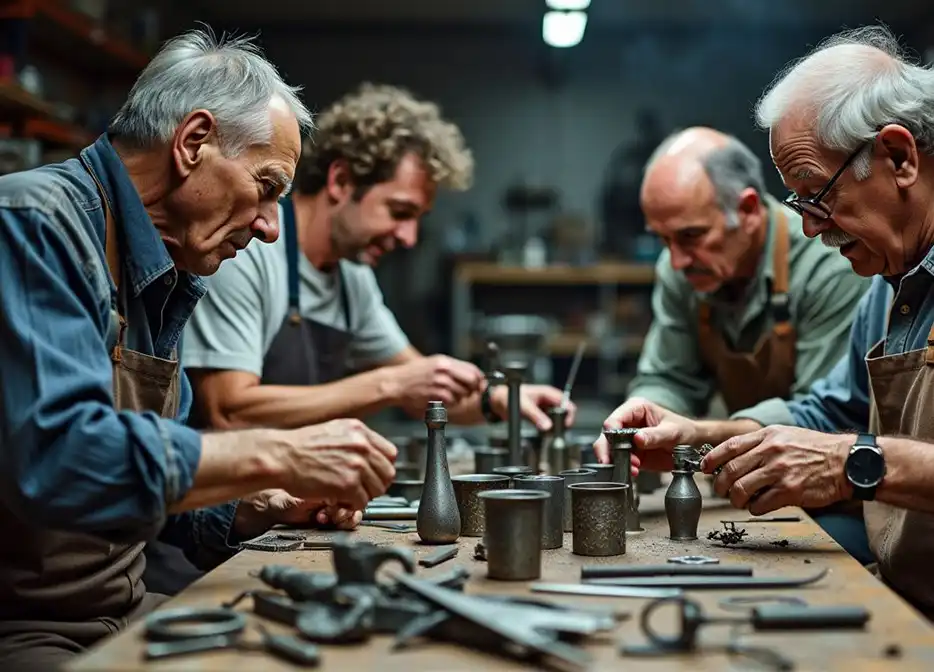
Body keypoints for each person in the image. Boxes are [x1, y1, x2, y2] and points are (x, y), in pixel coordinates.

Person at [0, 29, 398, 668]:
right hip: (25, 628)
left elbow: (156, 491)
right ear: (193, 143)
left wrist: (259, 501)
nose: (271, 228)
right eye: (267, 187)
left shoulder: (162, 271)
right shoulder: (34, 227)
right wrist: (275, 449)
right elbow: (63, 457)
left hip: (120, 611)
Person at [610, 25, 934, 617]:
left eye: (818, 195)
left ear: (898, 157)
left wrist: (848, 464)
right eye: (801, 205)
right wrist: (695, 435)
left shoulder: (857, 264)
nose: (812, 228)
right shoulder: (891, 281)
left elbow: (839, 446)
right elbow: (830, 412)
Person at [181, 83, 574, 435]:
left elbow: (423, 387)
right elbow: (227, 410)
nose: (409, 238)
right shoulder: (249, 245)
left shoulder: (352, 277)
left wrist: (499, 399)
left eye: (417, 220)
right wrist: (391, 385)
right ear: (340, 181)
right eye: (400, 212)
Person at [592, 127, 872, 561]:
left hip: (836, 496)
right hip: (747, 474)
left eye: (689, 236)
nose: (675, 260)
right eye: (662, 239)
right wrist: (643, 420)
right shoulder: (683, 266)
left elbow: (825, 423)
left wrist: (704, 435)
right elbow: (668, 374)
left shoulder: (832, 264)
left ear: (747, 210)